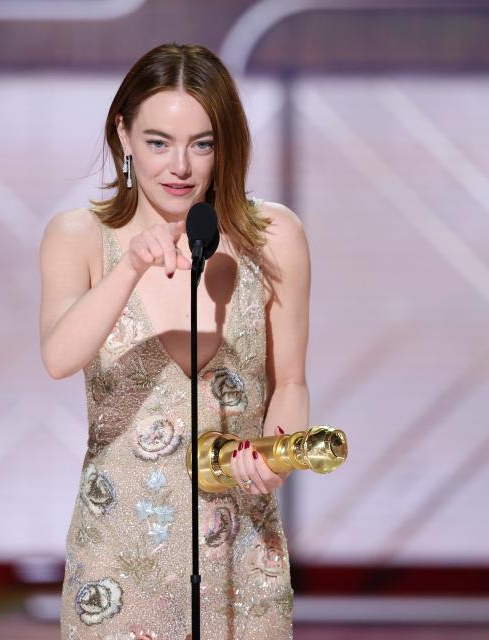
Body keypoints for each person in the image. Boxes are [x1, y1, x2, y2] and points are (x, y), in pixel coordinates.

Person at [38, 42, 310, 640]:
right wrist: (129, 266)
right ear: (124, 136)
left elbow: (289, 380)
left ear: (226, 145)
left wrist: (277, 461)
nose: (179, 166)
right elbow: (59, 357)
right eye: (159, 142)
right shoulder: (79, 237)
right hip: (119, 555)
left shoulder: (274, 237)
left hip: (240, 548)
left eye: (202, 143)